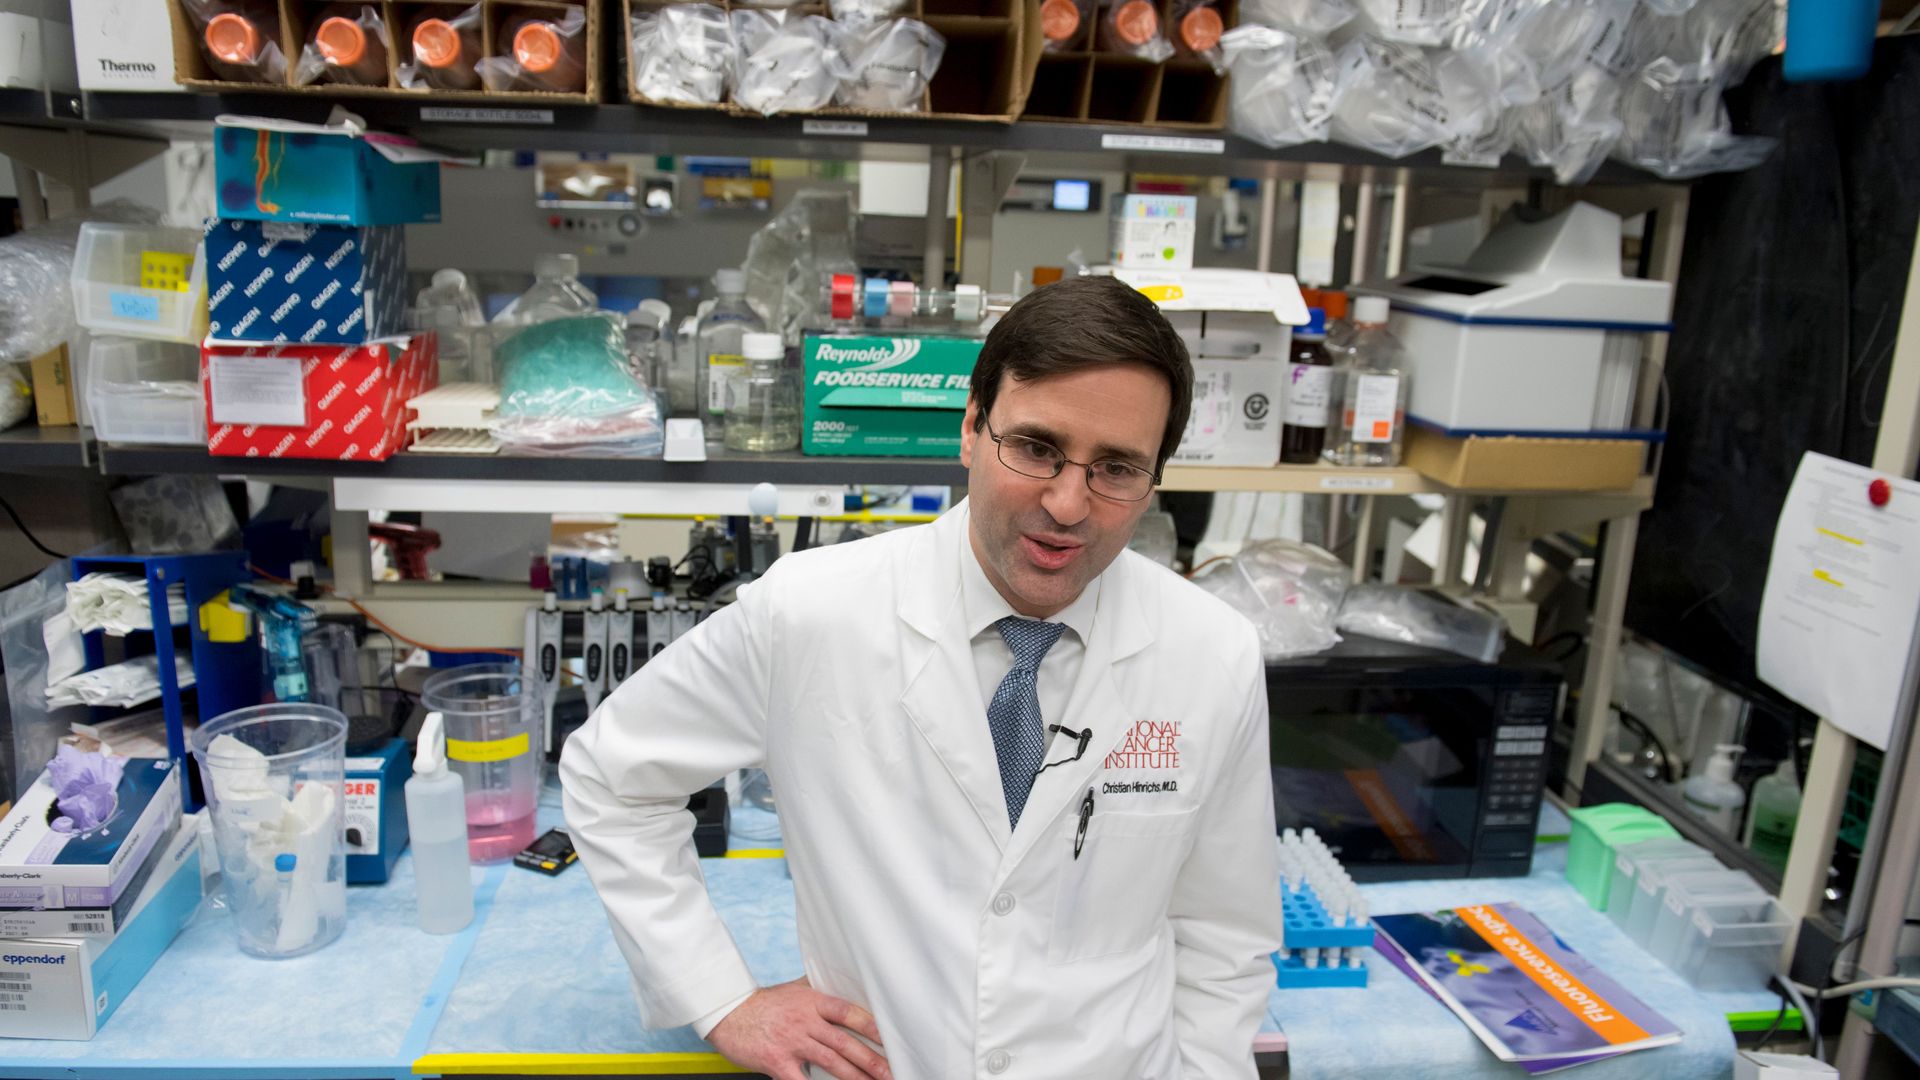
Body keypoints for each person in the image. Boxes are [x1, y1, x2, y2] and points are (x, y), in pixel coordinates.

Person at [561, 275, 1282, 1080]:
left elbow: (1225, 932)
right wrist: (721, 997)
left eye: (1116, 468)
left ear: (1155, 479)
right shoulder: (813, 613)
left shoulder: (1211, 652)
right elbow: (612, 777)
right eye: (1037, 448)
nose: (1069, 503)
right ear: (972, 427)